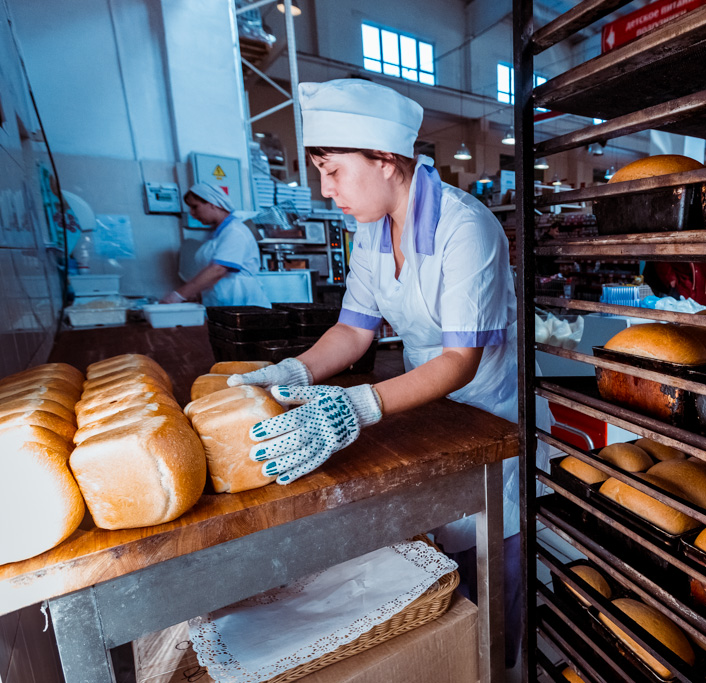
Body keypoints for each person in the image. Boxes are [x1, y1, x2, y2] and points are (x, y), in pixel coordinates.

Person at [227, 79, 521, 668]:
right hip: (425, 412)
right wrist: (293, 371)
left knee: (497, 568)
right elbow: (353, 331)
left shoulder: (466, 229)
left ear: (386, 159)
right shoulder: (369, 231)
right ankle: (453, 657)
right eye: (318, 171)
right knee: (441, 566)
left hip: (493, 420)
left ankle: (500, 665)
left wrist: (357, 406)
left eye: (333, 170)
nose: (325, 188)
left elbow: (459, 362)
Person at [159, 182, 270, 307]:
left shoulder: (235, 231)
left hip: (242, 303)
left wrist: (178, 295)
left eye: (195, 207)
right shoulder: (218, 233)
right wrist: (196, 294)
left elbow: (218, 270)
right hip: (222, 302)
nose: (192, 213)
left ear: (212, 204)